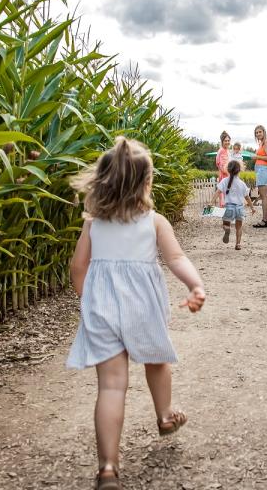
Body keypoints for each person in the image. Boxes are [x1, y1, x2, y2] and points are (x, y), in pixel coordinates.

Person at [66, 136, 206, 490]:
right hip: (143, 308)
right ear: (146, 183)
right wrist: (195, 285)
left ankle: (108, 468)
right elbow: (176, 258)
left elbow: (78, 268)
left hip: (102, 310)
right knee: (157, 361)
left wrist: (89, 302)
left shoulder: (93, 223)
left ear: (103, 183)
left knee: (111, 387)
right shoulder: (154, 222)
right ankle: (165, 415)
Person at [212, 159, 255, 250]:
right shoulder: (242, 183)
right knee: (239, 227)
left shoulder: (224, 181)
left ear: (228, 170)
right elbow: (247, 197)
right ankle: (238, 244)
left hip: (229, 207)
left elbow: (218, 192)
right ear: (239, 170)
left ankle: (227, 229)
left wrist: (211, 203)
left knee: (225, 223)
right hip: (240, 208)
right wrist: (252, 208)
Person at [252, 124, 267, 228]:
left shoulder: (266, 142)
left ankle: (264, 221)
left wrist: (257, 156)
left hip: (263, 170)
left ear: (264, 132)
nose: (258, 134)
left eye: (260, 132)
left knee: (264, 196)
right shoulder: (262, 143)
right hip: (264, 170)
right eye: (256, 132)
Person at [215, 131, 231, 207]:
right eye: (225, 141)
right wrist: (231, 176)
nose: (227, 142)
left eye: (228, 140)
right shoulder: (222, 151)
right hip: (225, 177)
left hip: (226, 176)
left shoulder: (226, 150)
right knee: (225, 199)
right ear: (222, 141)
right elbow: (223, 167)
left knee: (226, 198)